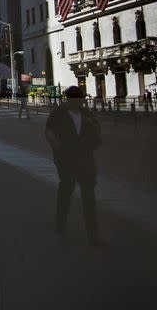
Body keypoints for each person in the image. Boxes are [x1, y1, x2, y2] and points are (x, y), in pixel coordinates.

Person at [45, 86, 102, 244]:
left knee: (88, 196)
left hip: (85, 159)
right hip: (66, 159)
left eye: (81, 98)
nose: (80, 101)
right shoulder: (59, 113)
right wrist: (56, 146)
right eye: (76, 99)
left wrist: (93, 128)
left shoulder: (86, 113)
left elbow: (97, 130)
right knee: (66, 191)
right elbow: (49, 130)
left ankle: (93, 234)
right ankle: (60, 224)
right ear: (69, 99)